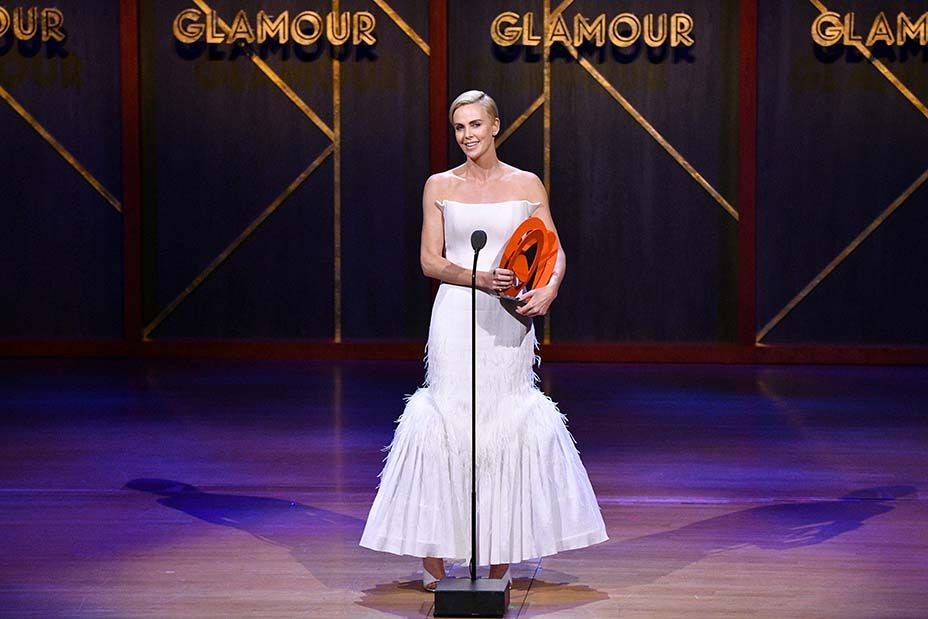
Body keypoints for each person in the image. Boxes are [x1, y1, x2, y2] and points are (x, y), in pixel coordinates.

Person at [359, 90, 607, 591]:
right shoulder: (439, 185)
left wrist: (550, 289)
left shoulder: (526, 183)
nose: (468, 135)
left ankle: (499, 557)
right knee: (449, 421)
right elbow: (430, 260)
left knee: (501, 423)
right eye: (459, 128)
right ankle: (434, 555)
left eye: (476, 125)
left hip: (509, 320)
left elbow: (553, 248)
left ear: (496, 126)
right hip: (456, 317)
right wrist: (476, 279)